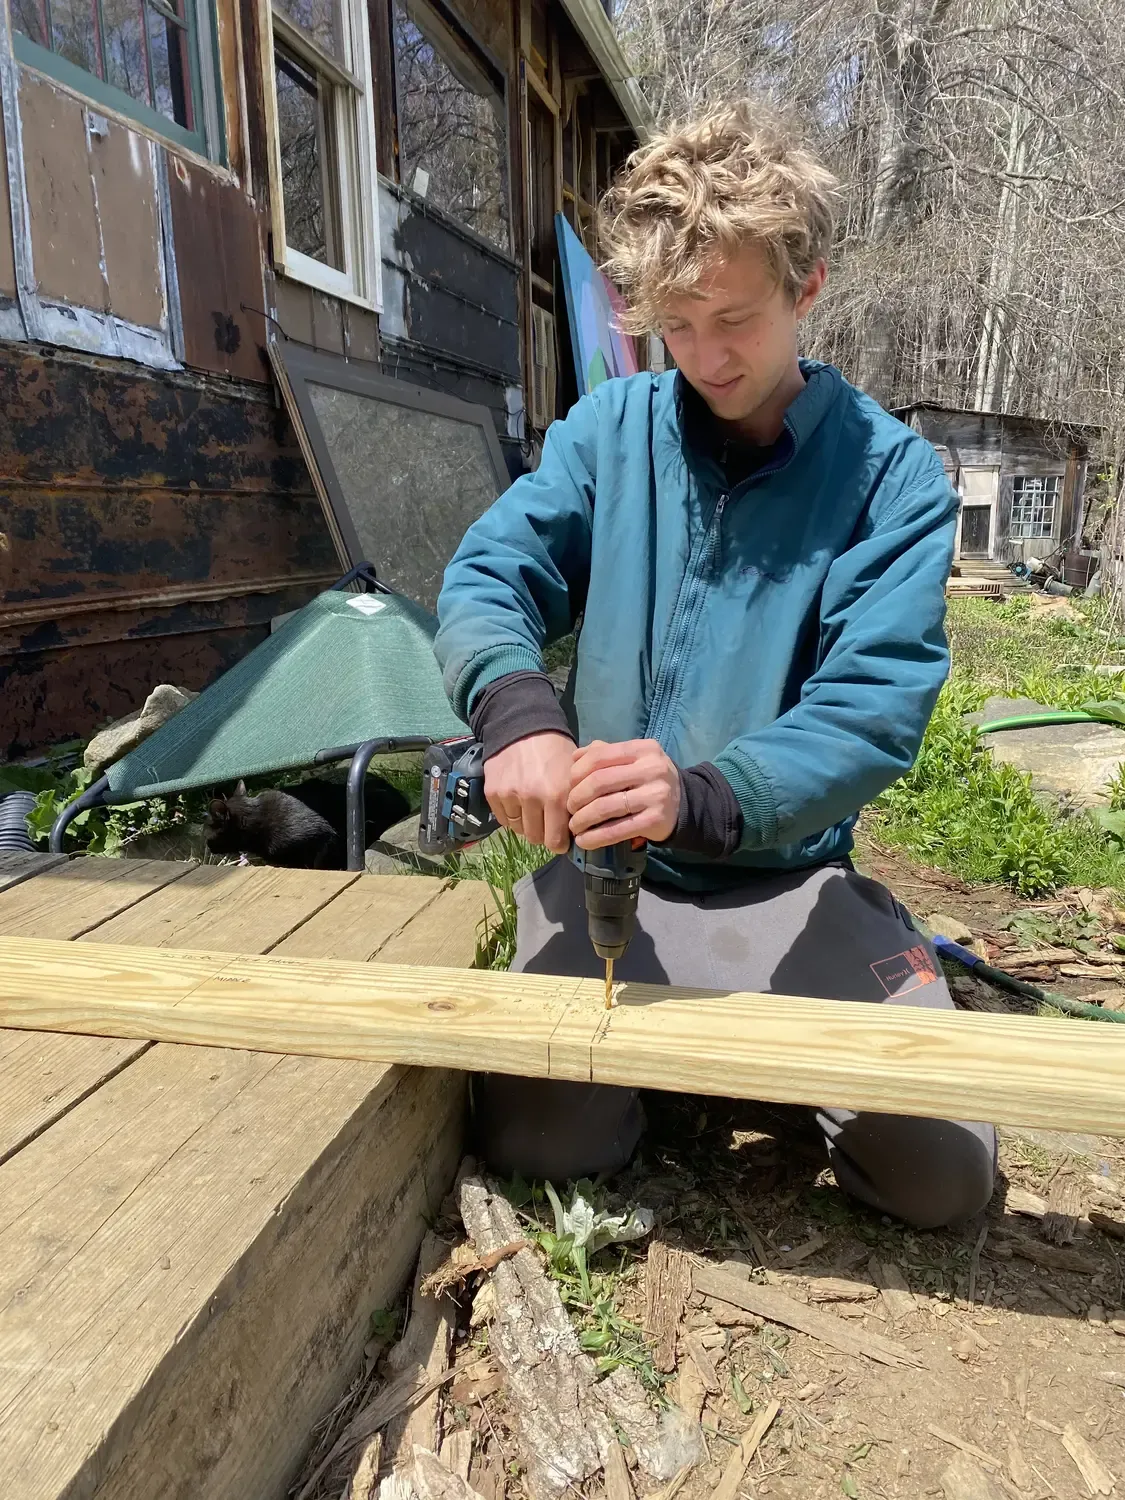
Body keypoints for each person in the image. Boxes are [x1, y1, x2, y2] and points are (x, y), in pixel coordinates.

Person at [433, 100, 996, 1230]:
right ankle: (694, 1056)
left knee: (940, 1173)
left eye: (733, 319)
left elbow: (869, 712)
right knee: (542, 1146)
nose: (705, 357)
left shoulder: (890, 479)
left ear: (809, 285)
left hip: (782, 876)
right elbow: (489, 577)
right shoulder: (610, 432)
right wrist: (520, 716)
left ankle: (837, 996)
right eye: (675, 326)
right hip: (607, 880)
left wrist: (703, 796)